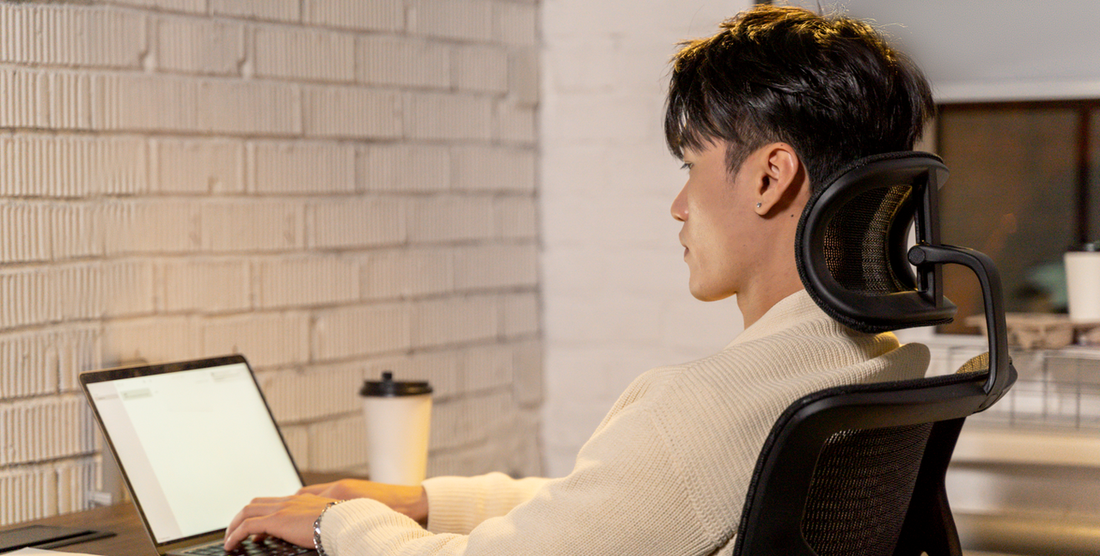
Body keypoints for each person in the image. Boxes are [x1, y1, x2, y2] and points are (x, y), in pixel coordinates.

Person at [225, 5, 934, 555]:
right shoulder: (874, 364)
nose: (679, 206)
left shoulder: (698, 411)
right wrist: (427, 502)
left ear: (769, 177)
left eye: (690, 164)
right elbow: (623, 510)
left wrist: (335, 526)